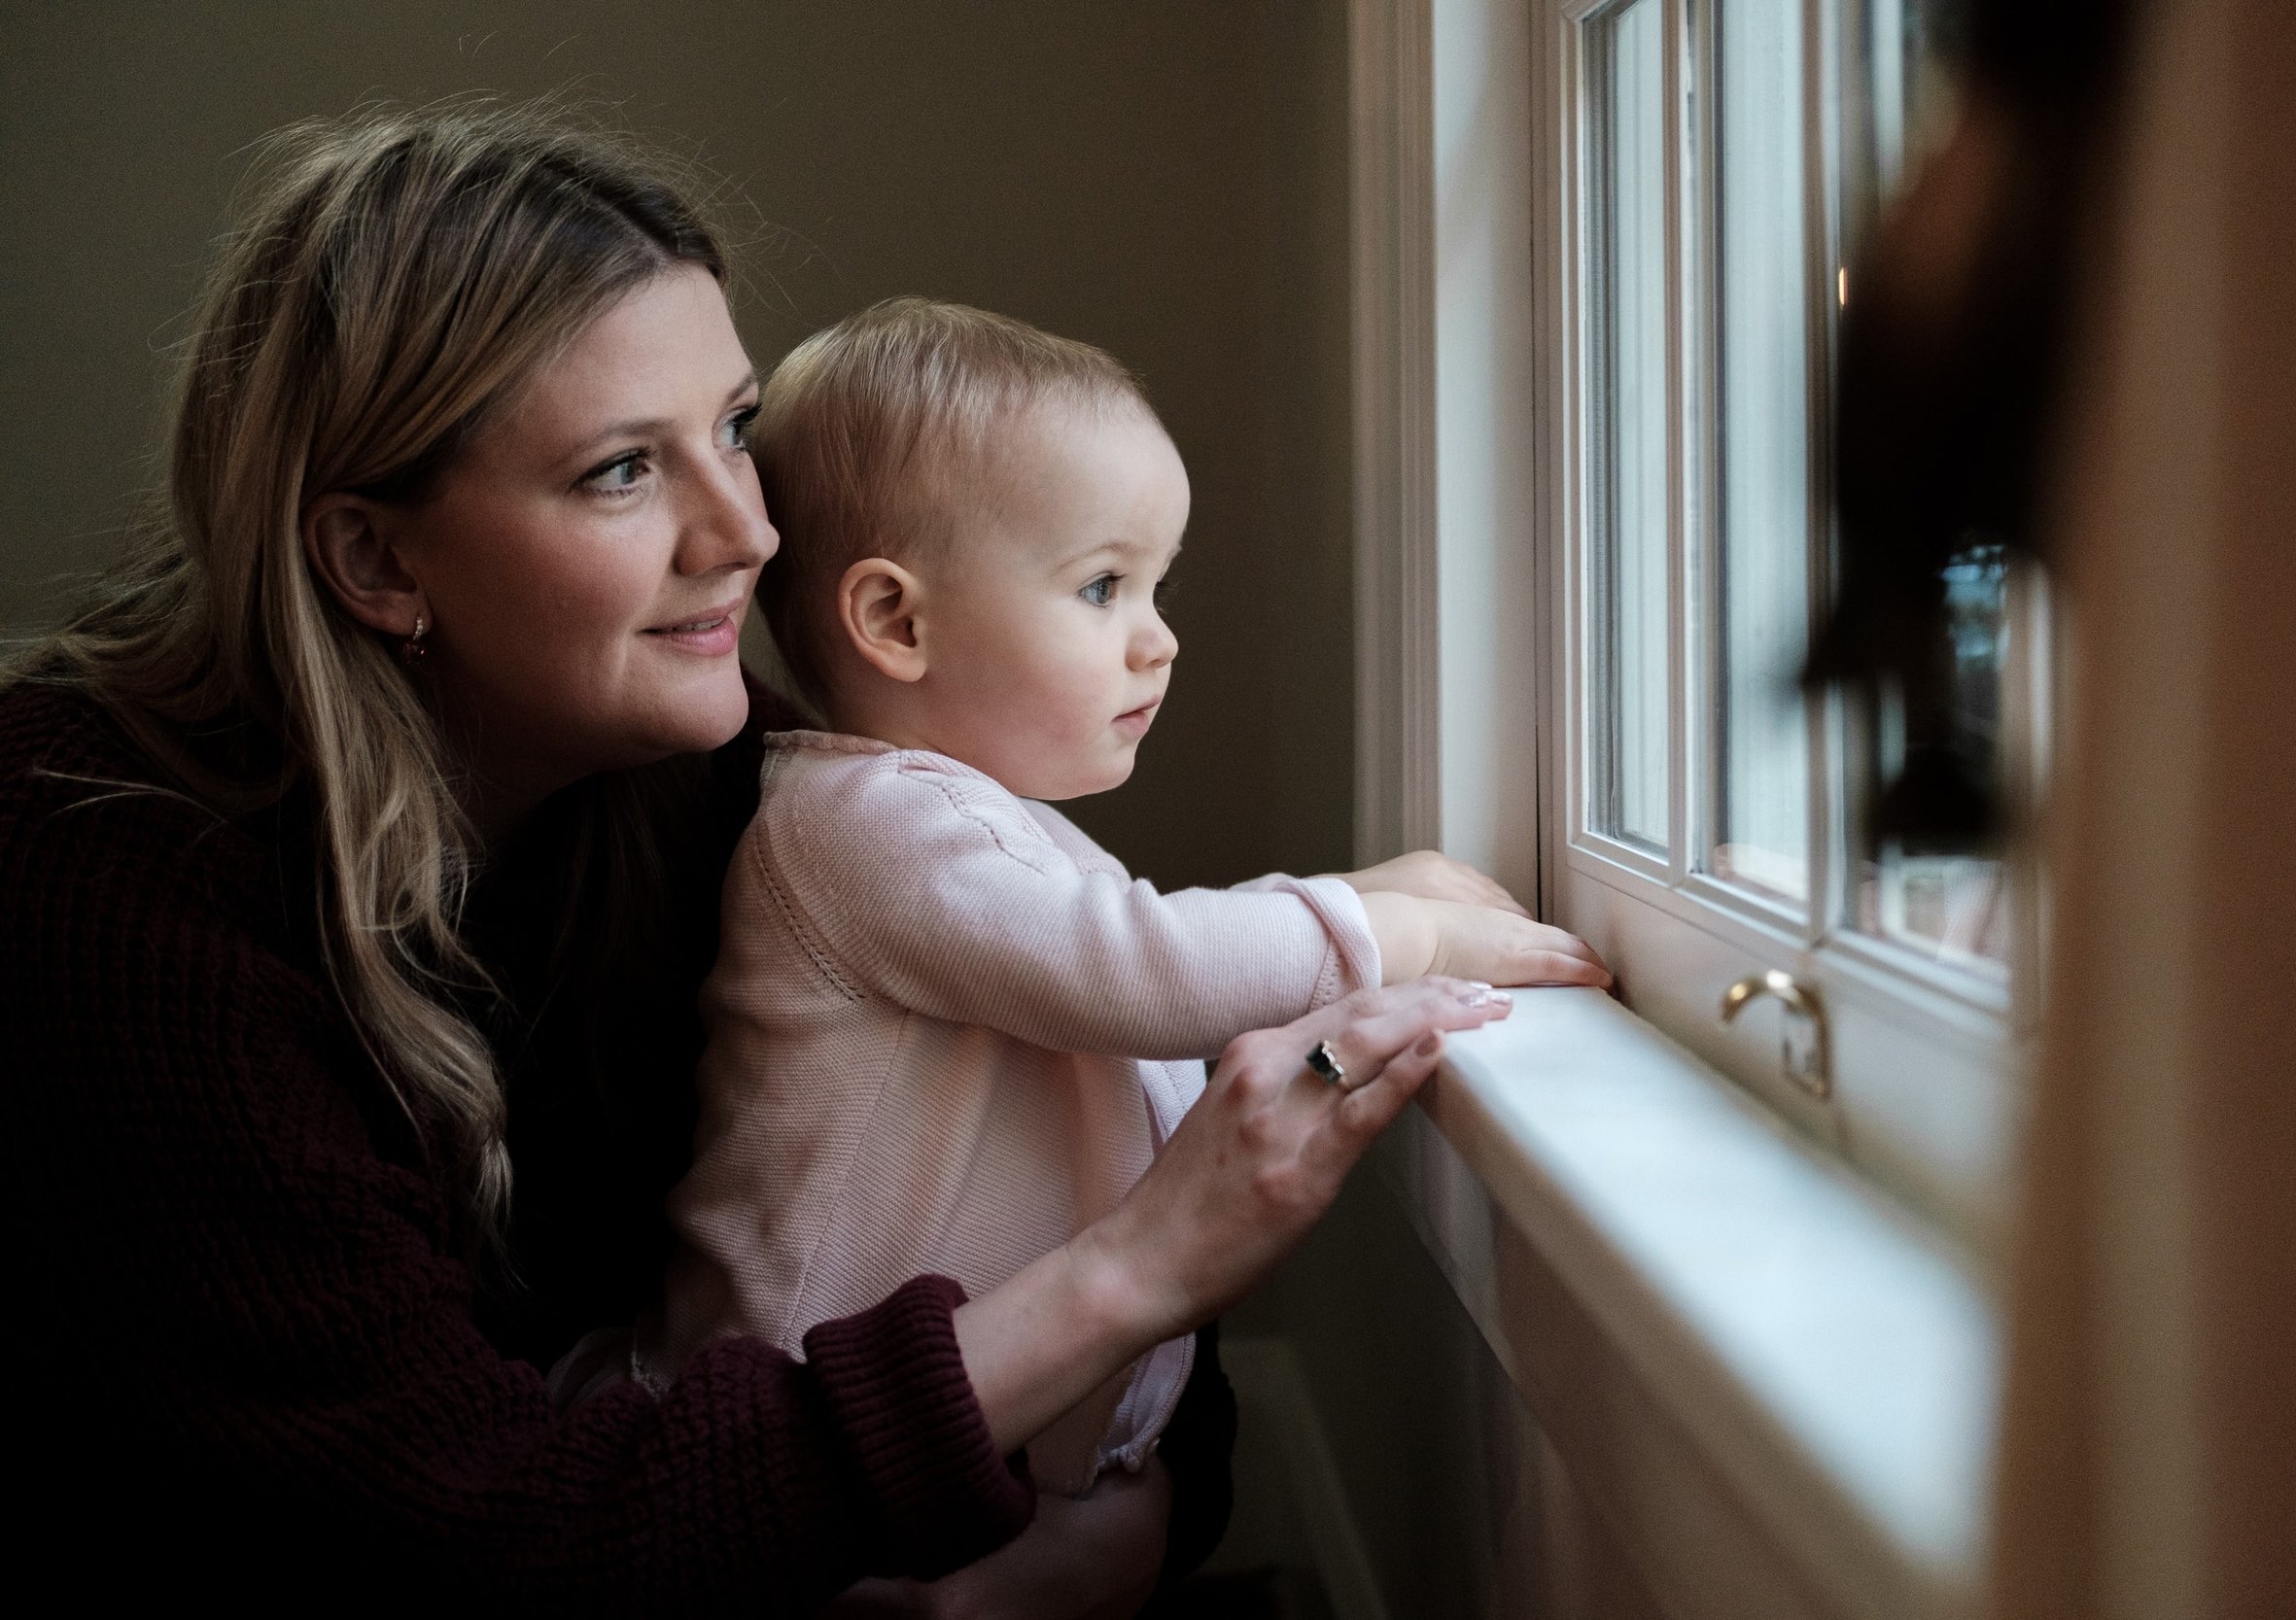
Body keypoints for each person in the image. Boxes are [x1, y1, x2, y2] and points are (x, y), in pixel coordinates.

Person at [0, 100, 1513, 1611]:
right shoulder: (106, 884)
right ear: (378, 559)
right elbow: (476, 1537)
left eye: (734, 428)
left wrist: (1097, 1524)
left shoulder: (715, 775)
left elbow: (1069, 1190)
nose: (749, 531)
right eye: (618, 472)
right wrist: (1134, 1274)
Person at [642, 298, 1611, 1498]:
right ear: (897, 620)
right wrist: (1400, 927)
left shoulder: (958, 828)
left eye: (1157, 587)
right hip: (807, 1424)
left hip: (952, 1434)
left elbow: (1124, 944)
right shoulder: (861, 827)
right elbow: (1137, 967)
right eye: (1104, 586)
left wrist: (1347, 894)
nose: (1158, 641)